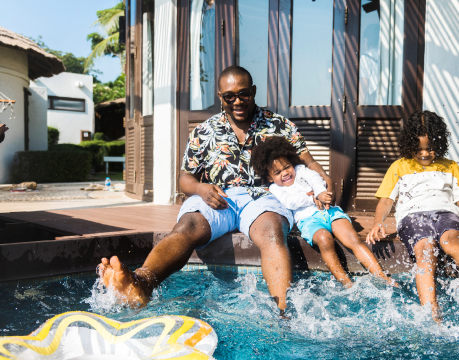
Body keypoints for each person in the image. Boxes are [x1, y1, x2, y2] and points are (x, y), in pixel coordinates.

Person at [96, 65, 335, 314]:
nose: (237, 101)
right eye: (229, 96)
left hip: (264, 197)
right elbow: (185, 178)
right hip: (218, 197)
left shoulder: (279, 125)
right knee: (187, 226)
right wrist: (200, 189)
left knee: (272, 231)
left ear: (253, 91)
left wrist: (324, 178)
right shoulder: (203, 131)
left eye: (244, 94)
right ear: (220, 97)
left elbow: (308, 161)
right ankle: (141, 283)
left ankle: (283, 313)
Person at [366, 110, 459, 321]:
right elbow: (386, 200)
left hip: (445, 214)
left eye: (431, 149)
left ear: (440, 144)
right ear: (409, 146)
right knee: (426, 250)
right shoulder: (399, 167)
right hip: (412, 217)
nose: (425, 154)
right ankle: (432, 311)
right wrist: (377, 222)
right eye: (419, 150)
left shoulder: (451, 167)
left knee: (452, 242)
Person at [251, 136, 394, 288]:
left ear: (292, 163)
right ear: (269, 177)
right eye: (277, 172)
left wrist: (319, 192)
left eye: (287, 167)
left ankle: (382, 276)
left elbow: (315, 178)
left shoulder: (301, 170)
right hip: (308, 221)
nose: (285, 173)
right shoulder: (275, 188)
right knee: (324, 240)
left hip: (329, 212)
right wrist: (312, 199)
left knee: (352, 238)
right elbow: (289, 202)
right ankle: (346, 283)